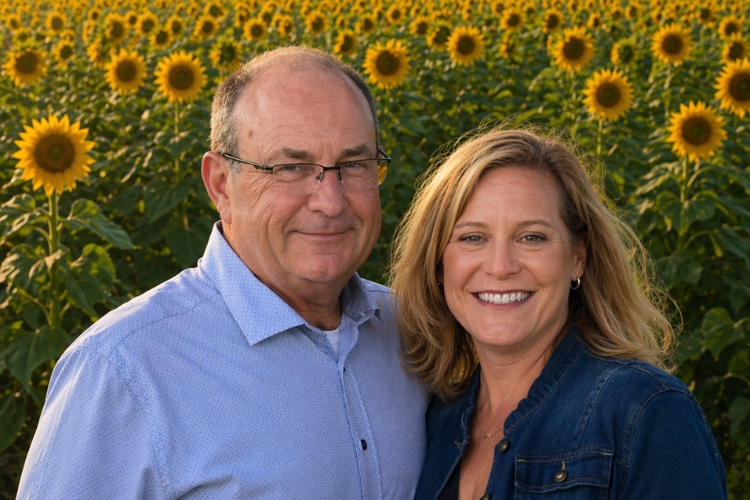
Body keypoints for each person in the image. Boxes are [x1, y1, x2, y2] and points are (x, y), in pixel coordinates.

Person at [18, 46, 427, 499]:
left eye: (353, 165)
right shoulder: (122, 371)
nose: (330, 201)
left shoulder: (414, 331)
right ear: (220, 185)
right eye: (289, 168)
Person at [389, 127, 728, 499]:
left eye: (532, 237)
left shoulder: (645, 412)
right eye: (472, 237)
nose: (500, 267)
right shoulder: (437, 420)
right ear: (439, 265)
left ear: (577, 258)